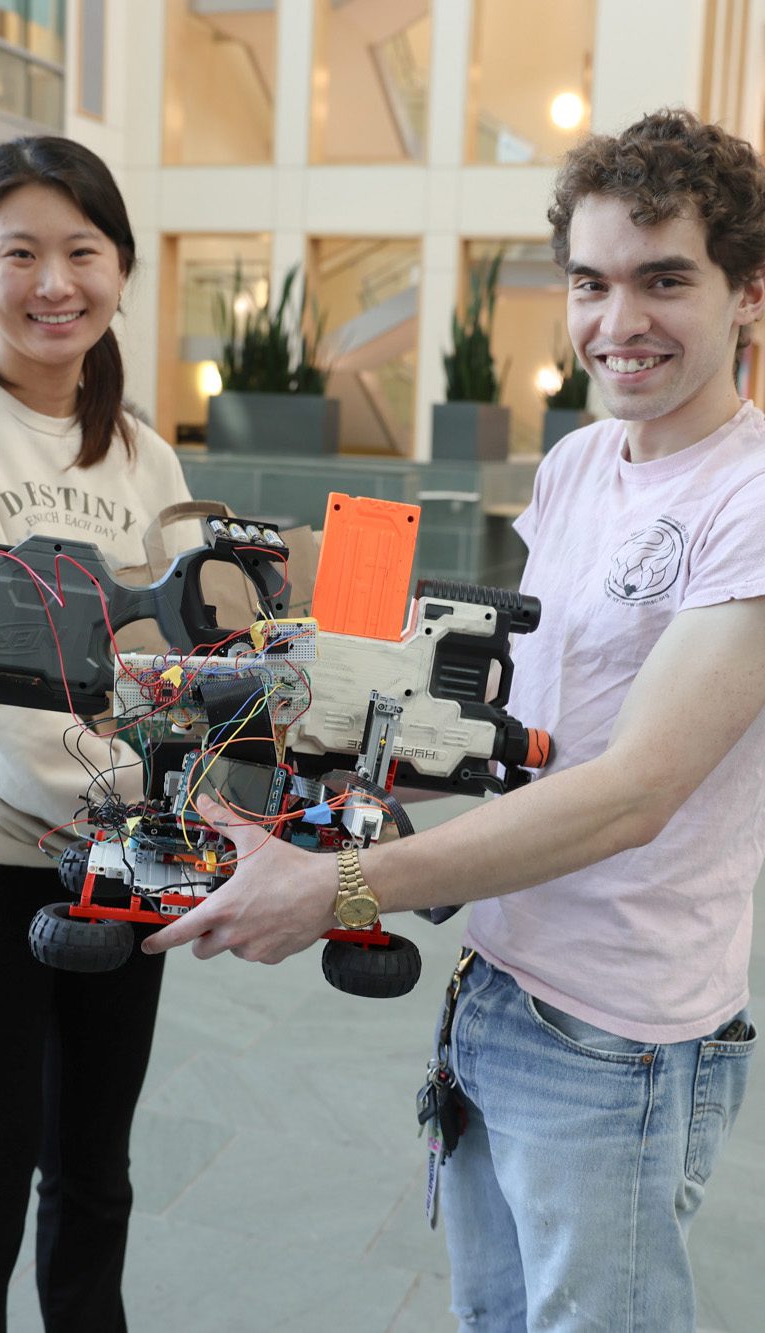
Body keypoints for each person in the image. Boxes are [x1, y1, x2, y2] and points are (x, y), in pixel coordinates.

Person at [142, 108, 765, 1330]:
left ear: (749, 292)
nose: (618, 322)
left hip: (619, 1040)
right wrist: (310, 787)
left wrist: (341, 889)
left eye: (664, 280)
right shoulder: (585, 463)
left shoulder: (750, 500)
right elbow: (523, 739)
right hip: (496, 986)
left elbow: (633, 791)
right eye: (590, 282)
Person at [0, 137, 199, 1332]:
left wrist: (191, 797)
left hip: (120, 870)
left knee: (95, 1182)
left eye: (82, 250)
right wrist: (140, 803)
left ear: (122, 269)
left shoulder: (141, 451)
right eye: (20, 252)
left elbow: (177, 673)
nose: (53, 282)